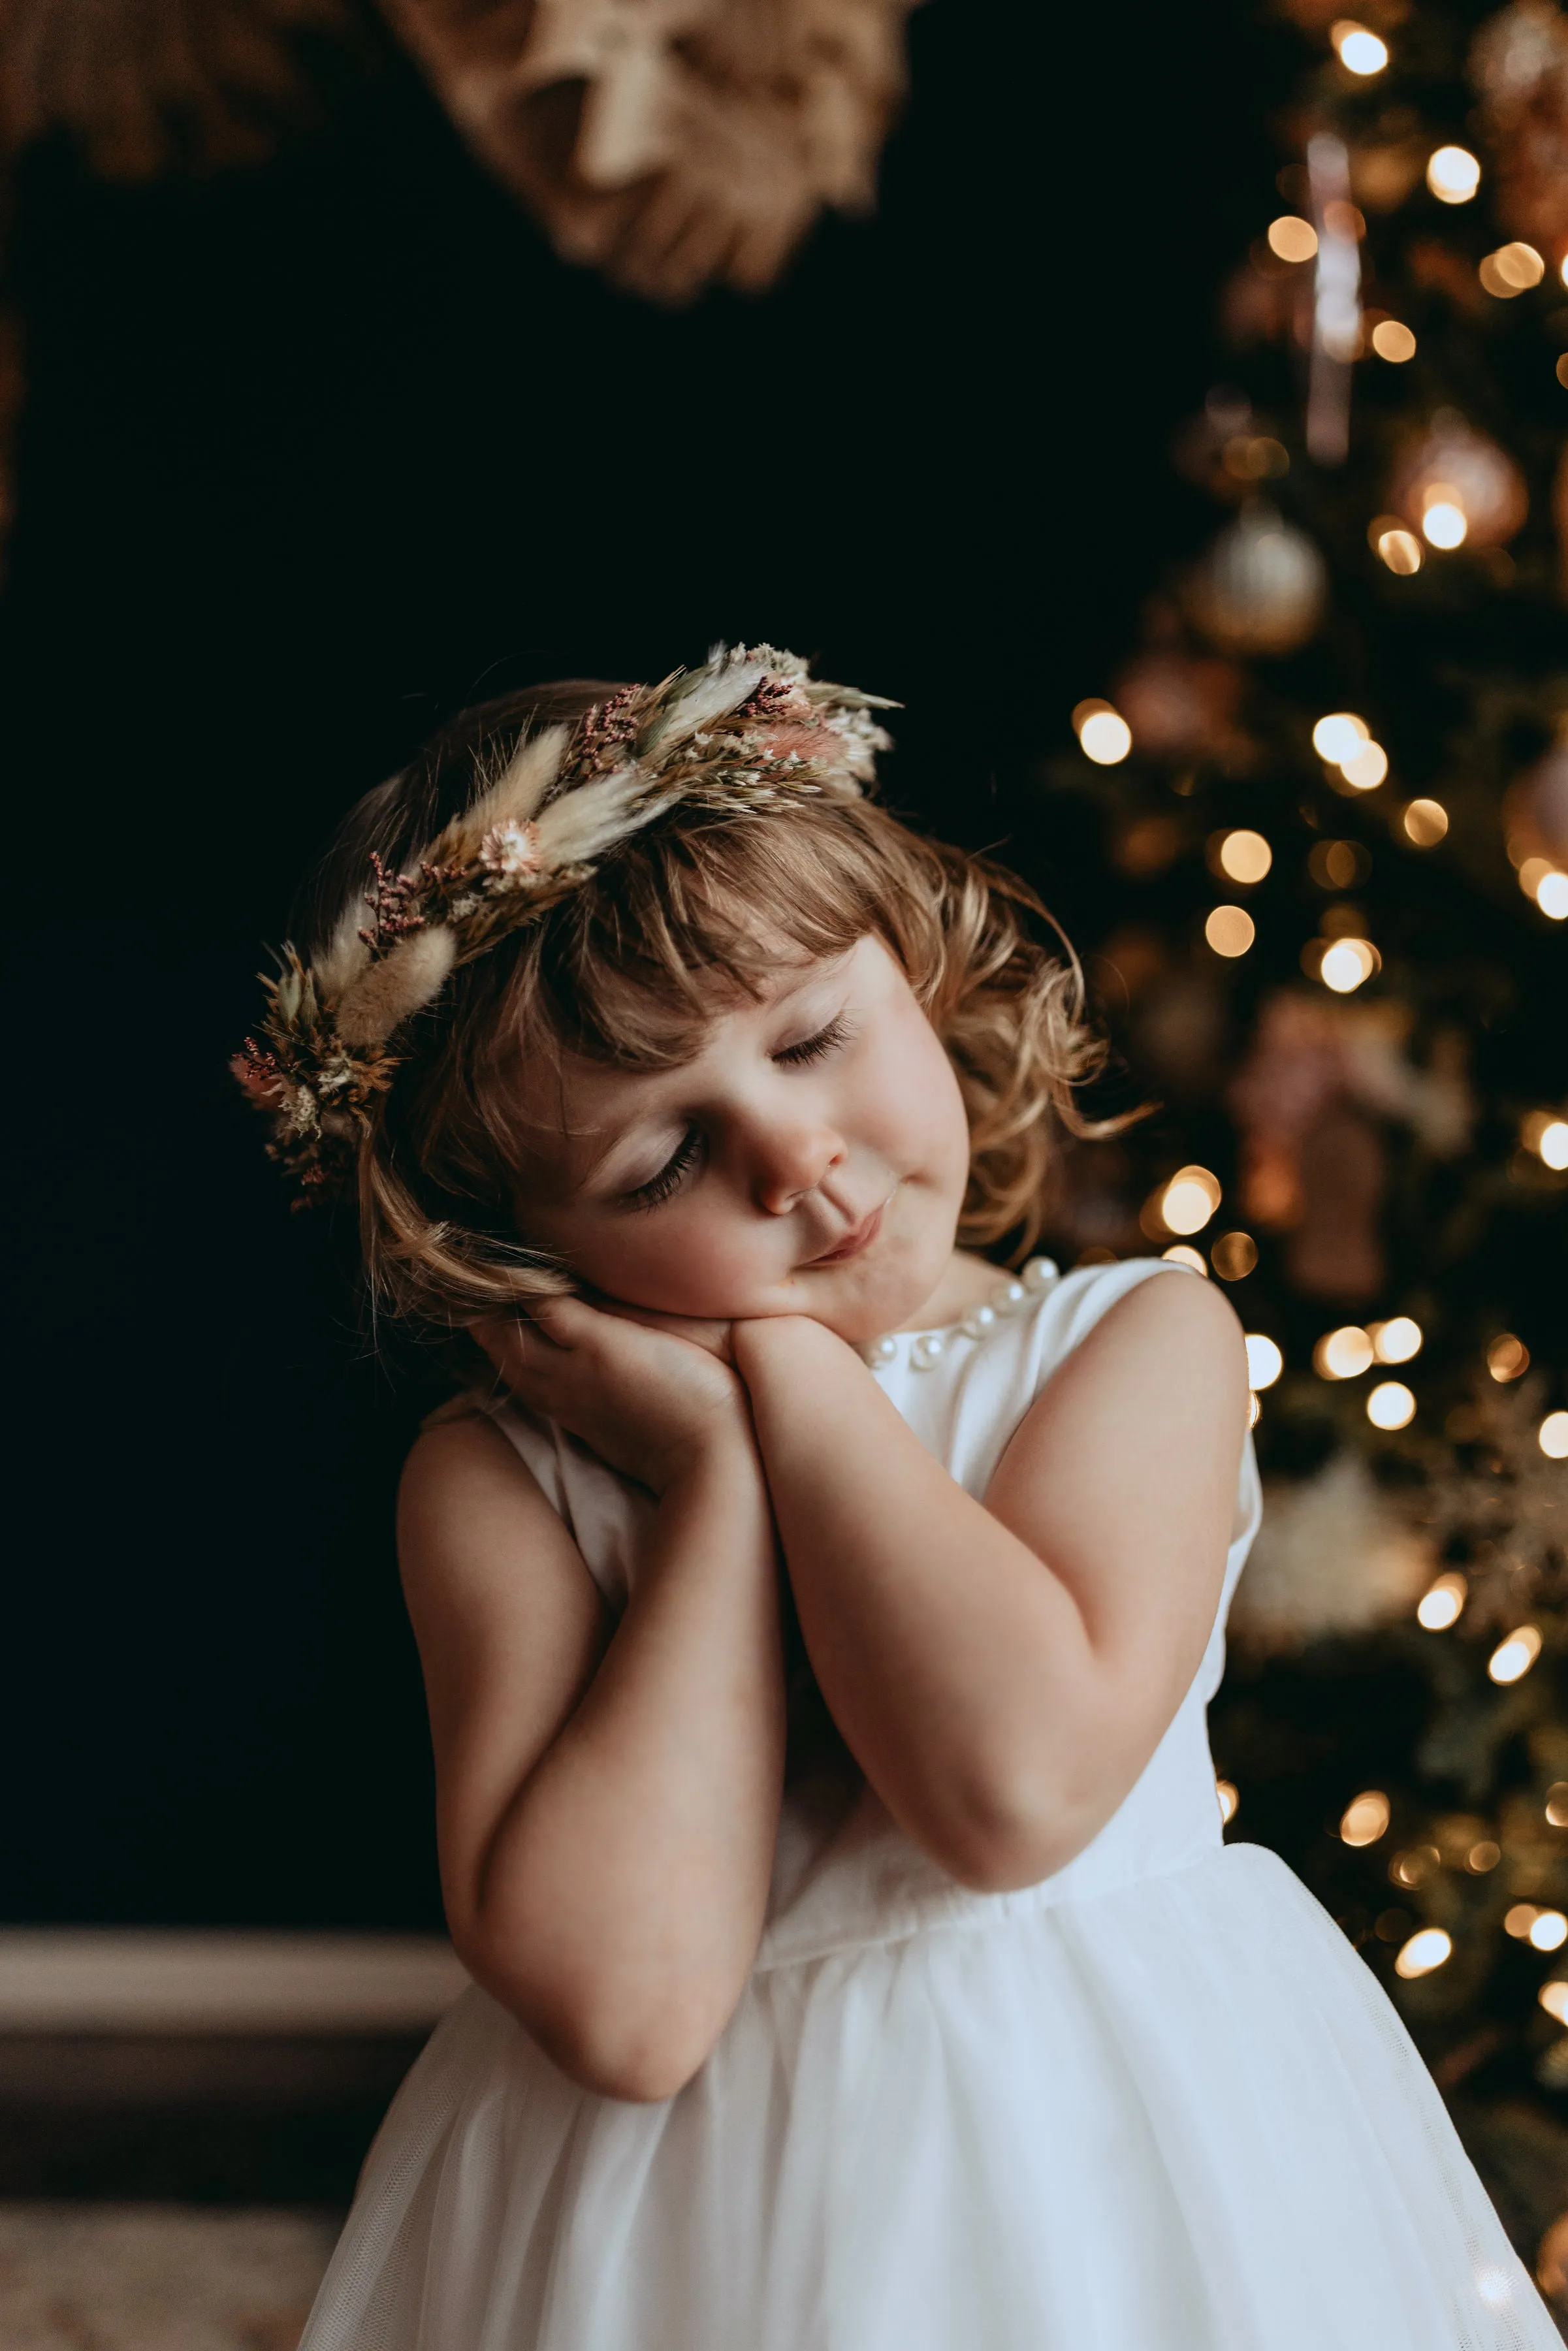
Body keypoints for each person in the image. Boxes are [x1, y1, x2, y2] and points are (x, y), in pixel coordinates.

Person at [236, 646, 1558, 2350]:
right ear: (523, 1253)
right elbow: (630, 2015)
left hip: (1102, 2143)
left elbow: (1005, 1794)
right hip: (669, 2230)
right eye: (666, 1161)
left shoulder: (1136, 1342)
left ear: (912, 965)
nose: (795, 1158)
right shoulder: (509, 1483)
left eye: (810, 1036)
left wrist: (780, 1381)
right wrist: (714, 1487)